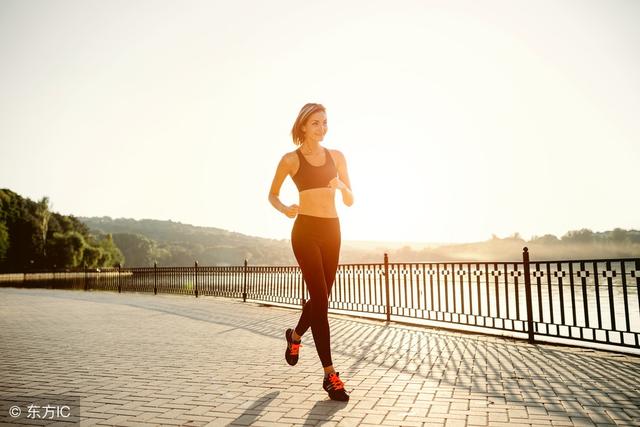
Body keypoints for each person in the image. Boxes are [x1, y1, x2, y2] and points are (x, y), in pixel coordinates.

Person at [268, 103, 354, 402]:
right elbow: (272, 193)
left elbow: (351, 199)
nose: (322, 128)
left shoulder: (337, 157)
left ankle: (295, 336)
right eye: (315, 123)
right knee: (321, 299)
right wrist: (285, 209)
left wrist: (342, 186)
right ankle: (330, 375)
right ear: (303, 126)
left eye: (325, 122)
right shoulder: (290, 160)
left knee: (321, 299)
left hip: (332, 231)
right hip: (304, 231)